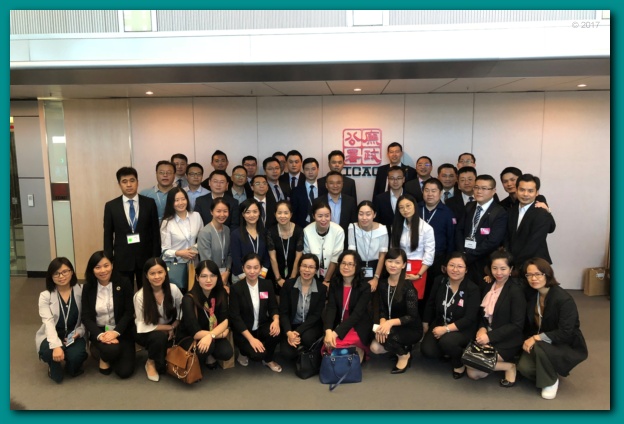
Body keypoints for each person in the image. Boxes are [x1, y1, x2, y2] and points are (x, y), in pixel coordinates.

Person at [517, 258, 588, 400]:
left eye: (538, 274)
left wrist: (536, 338)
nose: (533, 278)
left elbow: (566, 332)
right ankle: (549, 370)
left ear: (547, 274)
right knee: (524, 368)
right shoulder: (532, 293)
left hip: (563, 342)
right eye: (529, 275)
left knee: (539, 345)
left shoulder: (563, 299)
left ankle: (550, 382)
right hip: (541, 341)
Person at [465, 251, 526, 387]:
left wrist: (489, 337)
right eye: (495, 268)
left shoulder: (515, 291)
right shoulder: (488, 285)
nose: (498, 273)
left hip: (506, 340)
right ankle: (502, 365)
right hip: (487, 335)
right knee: (473, 373)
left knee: (474, 366)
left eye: (503, 269)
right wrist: (482, 328)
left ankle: (509, 367)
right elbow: (482, 314)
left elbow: (517, 325)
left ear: (511, 269)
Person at [421, 252, 480, 379]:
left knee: (447, 342)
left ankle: (459, 362)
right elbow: (430, 303)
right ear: (445, 267)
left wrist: (446, 329)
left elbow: (469, 318)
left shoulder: (472, 289)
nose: (455, 270)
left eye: (460, 266)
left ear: (466, 270)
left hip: (462, 328)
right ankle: (448, 351)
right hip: (441, 322)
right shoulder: (439, 281)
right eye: (451, 265)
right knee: (427, 351)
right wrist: (425, 323)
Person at [104, 166, 160, 290]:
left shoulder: (149, 203)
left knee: (147, 291)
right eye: (124, 181)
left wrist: (155, 257)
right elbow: (107, 235)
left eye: (132, 180)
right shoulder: (111, 206)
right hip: (122, 258)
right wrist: (108, 260)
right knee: (123, 292)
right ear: (119, 184)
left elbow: (155, 233)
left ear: (137, 182)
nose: (129, 185)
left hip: (145, 258)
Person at [81, 251, 135, 379]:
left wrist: (115, 332)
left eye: (106, 265)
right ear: (92, 269)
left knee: (124, 372)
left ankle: (105, 352)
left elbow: (129, 312)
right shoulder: (88, 288)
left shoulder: (124, 283)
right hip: (100, 331)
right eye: (97, 267)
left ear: (112, 265)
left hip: (121, 330)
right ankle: (104, 353)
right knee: (112, 350)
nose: (103, 270)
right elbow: (86, 317)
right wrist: (101, 335)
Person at [370, 248, 422, 374]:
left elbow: (412, 316)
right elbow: (382, 309)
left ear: (403, 265)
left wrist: (390, 323)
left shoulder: (408, 287)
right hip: (390, 326)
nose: (393, 265)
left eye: (397, 262)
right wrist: (383, 322)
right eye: (390, 261)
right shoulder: (382, 284)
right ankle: (402, 347)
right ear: (385, 262)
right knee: (375, 347)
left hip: (410, 328)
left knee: (384, 338)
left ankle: (404, 355)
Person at [36, 258, 87, 383]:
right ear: (51, 276)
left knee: (76, 359)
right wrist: (56, 346)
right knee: (48, 355)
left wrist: (78, 333)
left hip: (73, 334)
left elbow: (86, 318)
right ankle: (53, 363)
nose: (61, 276)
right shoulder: (45, 296)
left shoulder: (82, 291)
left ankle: (70, 361)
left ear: (72, 272)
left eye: (65, 272)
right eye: (56, 273)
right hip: (53, 334)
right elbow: (48, 322)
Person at [229, 253, 282, 372]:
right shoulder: (236, 288)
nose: (252, 271)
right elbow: (235, 317)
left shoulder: (267, 284)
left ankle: (268, 360)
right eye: (248, 267)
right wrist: (251, 339)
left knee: (276, 332)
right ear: (243, 268)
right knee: (257, 355)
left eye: (256, 267)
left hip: (261, 326)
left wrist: (276, 320)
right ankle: (243, 352)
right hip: (244, 331)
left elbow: (273, 307)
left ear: (261, 268)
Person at [455, 174, 508, 293]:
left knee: (480, 294)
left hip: (484, 263)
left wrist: (469, 255)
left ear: (493, 191)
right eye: (476, 187)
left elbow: (493, 241)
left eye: (484, 188)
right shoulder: (469, 206)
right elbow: (459, 230)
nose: (479, 191)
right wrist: (462, 253)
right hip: (465, 259)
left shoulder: (499, 212)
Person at [133, 257, 183, 382]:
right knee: (159, 338)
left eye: (160, 272)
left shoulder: (173, 289)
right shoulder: (140, 296)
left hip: (172, 326)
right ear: (146, 275)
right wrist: (168, 328)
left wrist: (174, 325)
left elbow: (182, 311)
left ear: (165, 272)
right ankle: (150, 362)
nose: (157, 277)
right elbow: (142, 326)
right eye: (152, 273)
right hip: (148, 332)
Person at [179, 260, 233, 371]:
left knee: (226, 352)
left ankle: (209, 354)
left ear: (218, 277)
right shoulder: (188, 299)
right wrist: (220, 334)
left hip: (212, 332)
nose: (208, 280)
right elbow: (195, 333)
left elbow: (225, 321)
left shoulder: (221, 293)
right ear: (197, 278)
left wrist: (211, 335)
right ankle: (201, 358)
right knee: (207, 347)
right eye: (204, 276)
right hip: (190, 337)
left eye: (212, 276)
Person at [323, 250, 373, 362]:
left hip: (357, 326)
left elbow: (357, 315)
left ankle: (358, 352)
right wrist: (328, 331)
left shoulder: (365, 287)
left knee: (337, 345)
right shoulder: (335, 283)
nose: (346, 267)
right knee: (329, 345)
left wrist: (335, 333)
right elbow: (331, 308)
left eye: (350, 264)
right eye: (343, 263)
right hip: (338, 324)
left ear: (357, 267)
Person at [390, 194, 435, 314]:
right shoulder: (396, 226)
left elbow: (429, 255)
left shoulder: (426, 228)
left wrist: (419, 275)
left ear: (415, 206)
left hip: (418, 269)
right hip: (399, 266)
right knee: (398, 301)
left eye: (408, 206)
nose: (405, 210)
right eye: (401, 207)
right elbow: (393, 250)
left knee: (414, 303)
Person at [278, 254, 327, 360]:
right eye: (304, 266)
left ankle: (306, 351)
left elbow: (316, 315)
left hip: (311, 325)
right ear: (299, 267)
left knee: (308, 339)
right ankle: (301, 350)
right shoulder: (288, 285)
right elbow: (283, 312)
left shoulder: (321, 288)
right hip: (291, 325)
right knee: (287, 354)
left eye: (311, 267)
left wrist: (298, 331)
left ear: (316, 270)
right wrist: (289, 332)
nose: (307, 270)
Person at [505, 174, 556, 269]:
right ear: (516, 190)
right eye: (522, 190)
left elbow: (534, 243)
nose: (525, 194)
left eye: (530, 191)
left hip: (535, 265)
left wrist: (515, 264)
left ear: (537, 193)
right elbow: (507, 238)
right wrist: (507, 261)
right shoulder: (511, 211)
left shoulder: (541, 213)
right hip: (513, 265)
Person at [418, 178, 456, 305]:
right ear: (422, 192)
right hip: (417, 257)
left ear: (440, 193)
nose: (430, 194)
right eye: (427, 190)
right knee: (416, 290)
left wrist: (447, 261)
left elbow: (451, 239)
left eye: (433, 191)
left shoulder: (447, 213)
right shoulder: (415, 209)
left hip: (437, 259)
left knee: (433, 291)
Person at [160, 187, 203, 293]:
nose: (181, 203)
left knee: (194, 294)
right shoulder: (167, 222)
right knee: (179, 295)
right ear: (171, 203)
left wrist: (194, 249)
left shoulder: (196, 216)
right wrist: (180, 253)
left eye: (183, 199)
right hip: (177, 266)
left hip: (194, 264)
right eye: (176, 200)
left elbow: (203, 239)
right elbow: (164, 250)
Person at [348, 200, 389, 293]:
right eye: (361, 214)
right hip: (357, 266)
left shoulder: (382, 229)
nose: (364, 218)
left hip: (377, 267)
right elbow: (352, 253)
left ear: (374, 215)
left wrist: (376, 278)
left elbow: (382, 256)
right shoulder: (352, 227)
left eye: (368, 214)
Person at [303, 200, 345, 286]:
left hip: (333, 274)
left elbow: (335, 258)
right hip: (312, 275)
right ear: (313, 216)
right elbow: (307, 257)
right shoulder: (306, 231)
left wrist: (327, 280)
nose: (323, 219)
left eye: (327, 216)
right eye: (320, 216)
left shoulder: (338, 231)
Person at [267, 200, 304, 294]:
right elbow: (272, 257)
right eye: (279, 213)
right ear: (275, 214)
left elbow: (298, 257)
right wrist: (278, 278)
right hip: (276, 272)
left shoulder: (299, 231)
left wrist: (292, 277)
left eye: (286, 213)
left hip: (295, 271)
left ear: (291, 214)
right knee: (278, 297)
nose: (282, 216)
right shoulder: (271, 231)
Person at [230, 199, 270, 283]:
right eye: (247, 212)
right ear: (243, 214)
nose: (252, 215)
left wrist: (261, 275)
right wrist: (247, 279)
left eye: (255, 211)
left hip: (260, 276)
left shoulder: (265, 232)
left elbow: (267, 256)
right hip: (240, 278)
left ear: (259, 213)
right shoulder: (236, 234)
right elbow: (236, 259)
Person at [197, 198, 232, 287]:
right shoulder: (205, 232)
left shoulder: (227, 230)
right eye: (218, 211)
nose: (222, 215)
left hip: (225, 276)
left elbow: (229, 253)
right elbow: (206, 259)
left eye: (225, 211)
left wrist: (227, 272)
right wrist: (218, 277)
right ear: (211, 212)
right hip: (210, 277)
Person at [318, 171, 357, 240]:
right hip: (323, 240)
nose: (335, 186)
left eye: (338, 183)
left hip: (345, 241)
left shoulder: (350, 201)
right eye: (331, 183)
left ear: (342, 184)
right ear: (326, 185)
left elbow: (353, 224)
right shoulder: (318, 202)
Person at [291, 157, 328, 228]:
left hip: (322, 226)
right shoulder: (296, 191)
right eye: (307, 169)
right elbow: (294, 214)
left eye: (313, 169)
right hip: (301, 228)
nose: (310, 172)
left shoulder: (325, 189)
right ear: (303, 171)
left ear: (318, 170)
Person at [373, 166, 408, 233]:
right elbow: (376, 222)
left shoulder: (411, 197)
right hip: (385, 236)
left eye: (399, 178)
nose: (395, 181)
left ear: (403, 179)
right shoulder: (379, 199)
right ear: (388, 180)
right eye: (392, 178)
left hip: (407, 236)